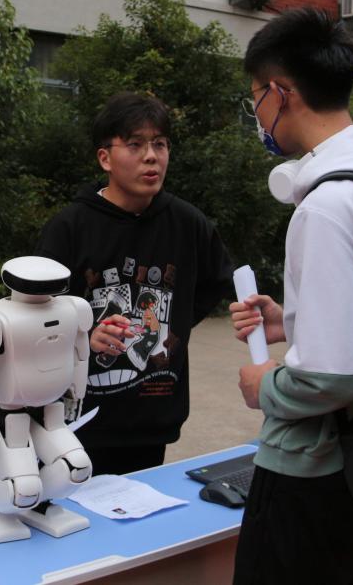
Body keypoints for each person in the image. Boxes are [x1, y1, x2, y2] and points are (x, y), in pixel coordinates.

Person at [228, 7, 353, 584]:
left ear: (280, 93)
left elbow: (333, 378)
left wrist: (264, 384)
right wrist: (293, 321)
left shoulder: (326, 206)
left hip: (314, 473)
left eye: (255, 98)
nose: (258, 114)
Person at [35, 92, 233, 475]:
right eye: (135, 144)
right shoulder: (69, 227)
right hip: (77, 419)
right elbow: (37, 315)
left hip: (152, 415)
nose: (151, 156)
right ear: (105, 158)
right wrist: (82, 336)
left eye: (160, 144)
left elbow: (215, 282)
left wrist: (171, 326)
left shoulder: (188, 223)